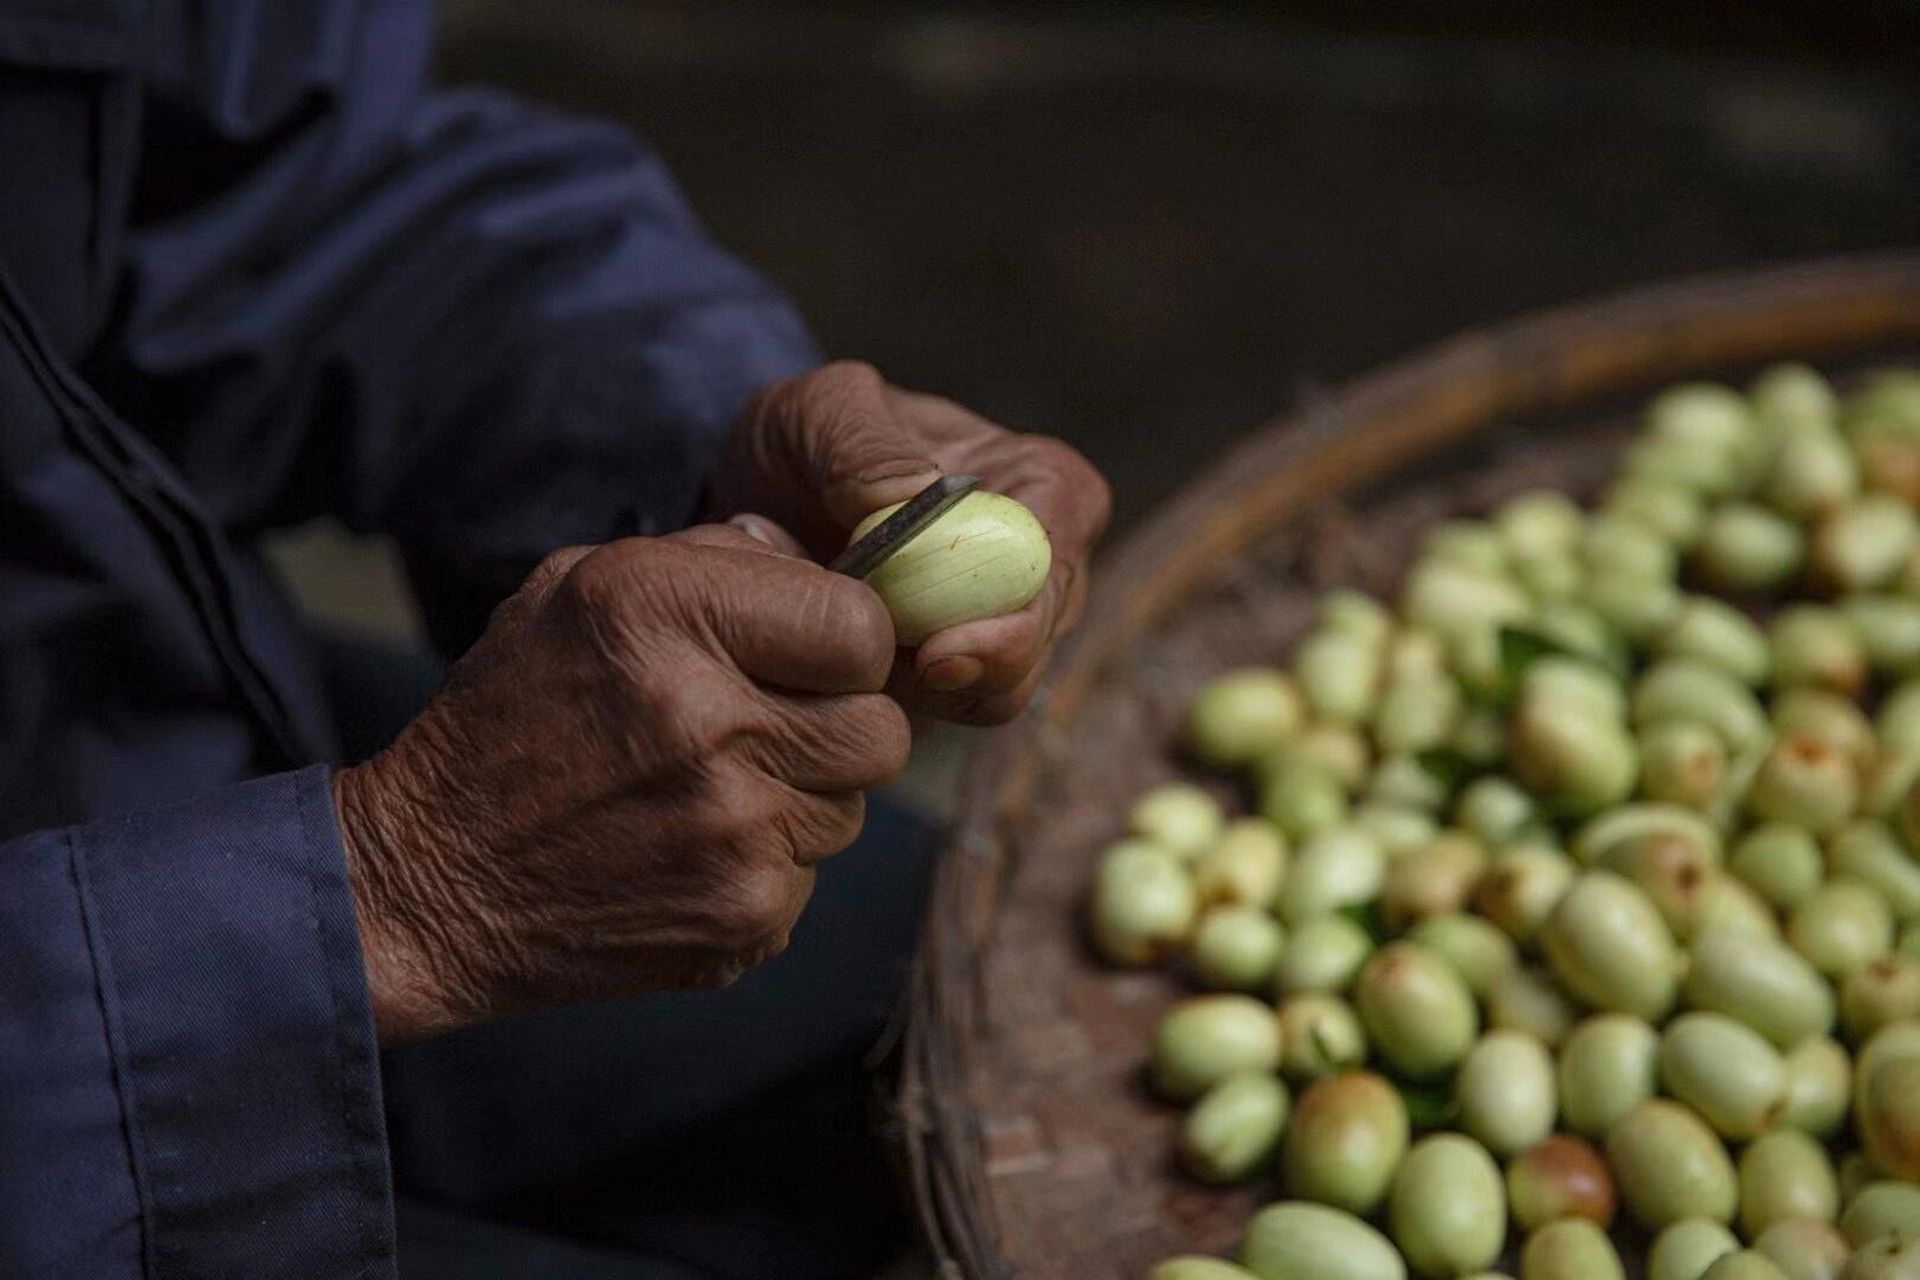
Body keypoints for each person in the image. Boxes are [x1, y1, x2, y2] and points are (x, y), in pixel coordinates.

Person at [0, 3, 1110, 1277]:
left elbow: (299, 185)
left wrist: (704, 465)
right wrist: (389, 901)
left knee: (933, 962)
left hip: (148, 726)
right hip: (72, 1072)